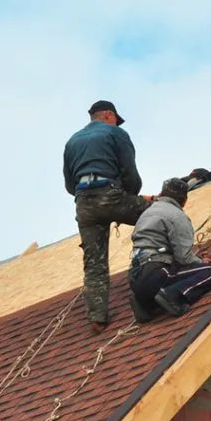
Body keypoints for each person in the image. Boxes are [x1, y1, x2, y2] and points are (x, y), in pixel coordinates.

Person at [64, 100, 152, 333]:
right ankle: (166, 266)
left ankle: (97, 317)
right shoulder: (116, 133)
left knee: (94, 263)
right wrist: (128, 199)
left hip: (84, 204)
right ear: (108, 115)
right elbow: (131, 174)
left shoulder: (72, 141)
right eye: (115, 118)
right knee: (156, 214)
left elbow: (69, 184)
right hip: (110, 193)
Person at [128, 177, 211, 322]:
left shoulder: (146, 214)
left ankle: (145, 302)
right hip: (158, 272)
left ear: (162, 193)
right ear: (184, 200)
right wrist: (201, 262)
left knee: (168, 276)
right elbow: (184, 258)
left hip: (136, 277)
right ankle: (173, 295)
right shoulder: (177, 216)